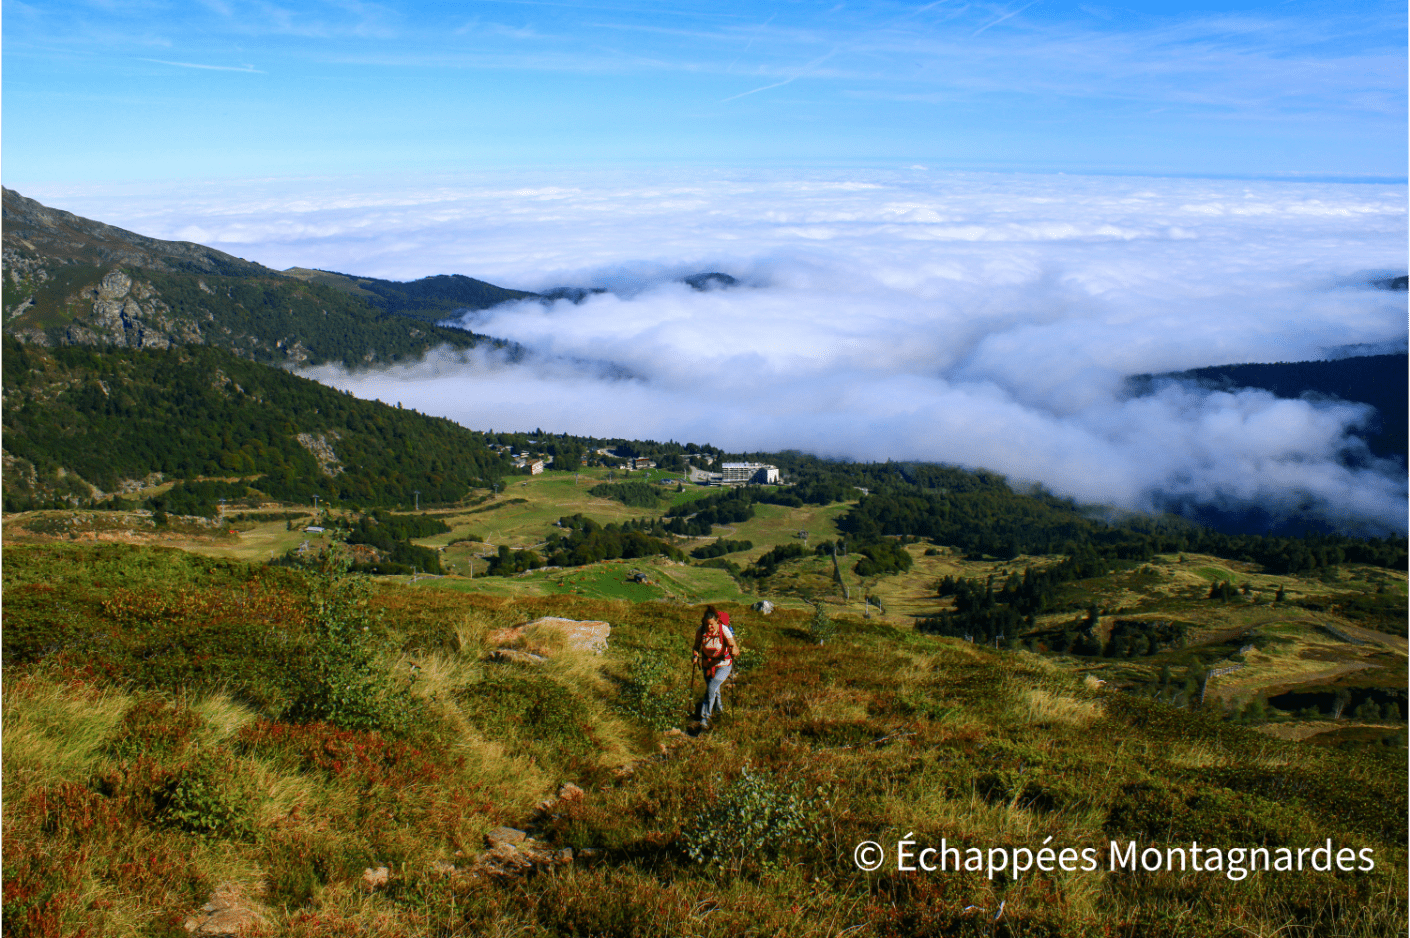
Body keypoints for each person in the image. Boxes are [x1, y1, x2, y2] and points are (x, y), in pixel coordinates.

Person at [692, 606, 739, 728]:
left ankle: (704, 718)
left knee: (711, 688)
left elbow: (734, 646)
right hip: (708, 665)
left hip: (723, 664)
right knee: (714, 688)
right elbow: (696, 646)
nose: (709, 627)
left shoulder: (724, 630)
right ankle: (719, 711)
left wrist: (734, 649)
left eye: (711, 624)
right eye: (707, 624)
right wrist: (695, 655)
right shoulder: (701, 630)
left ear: (717, 622)